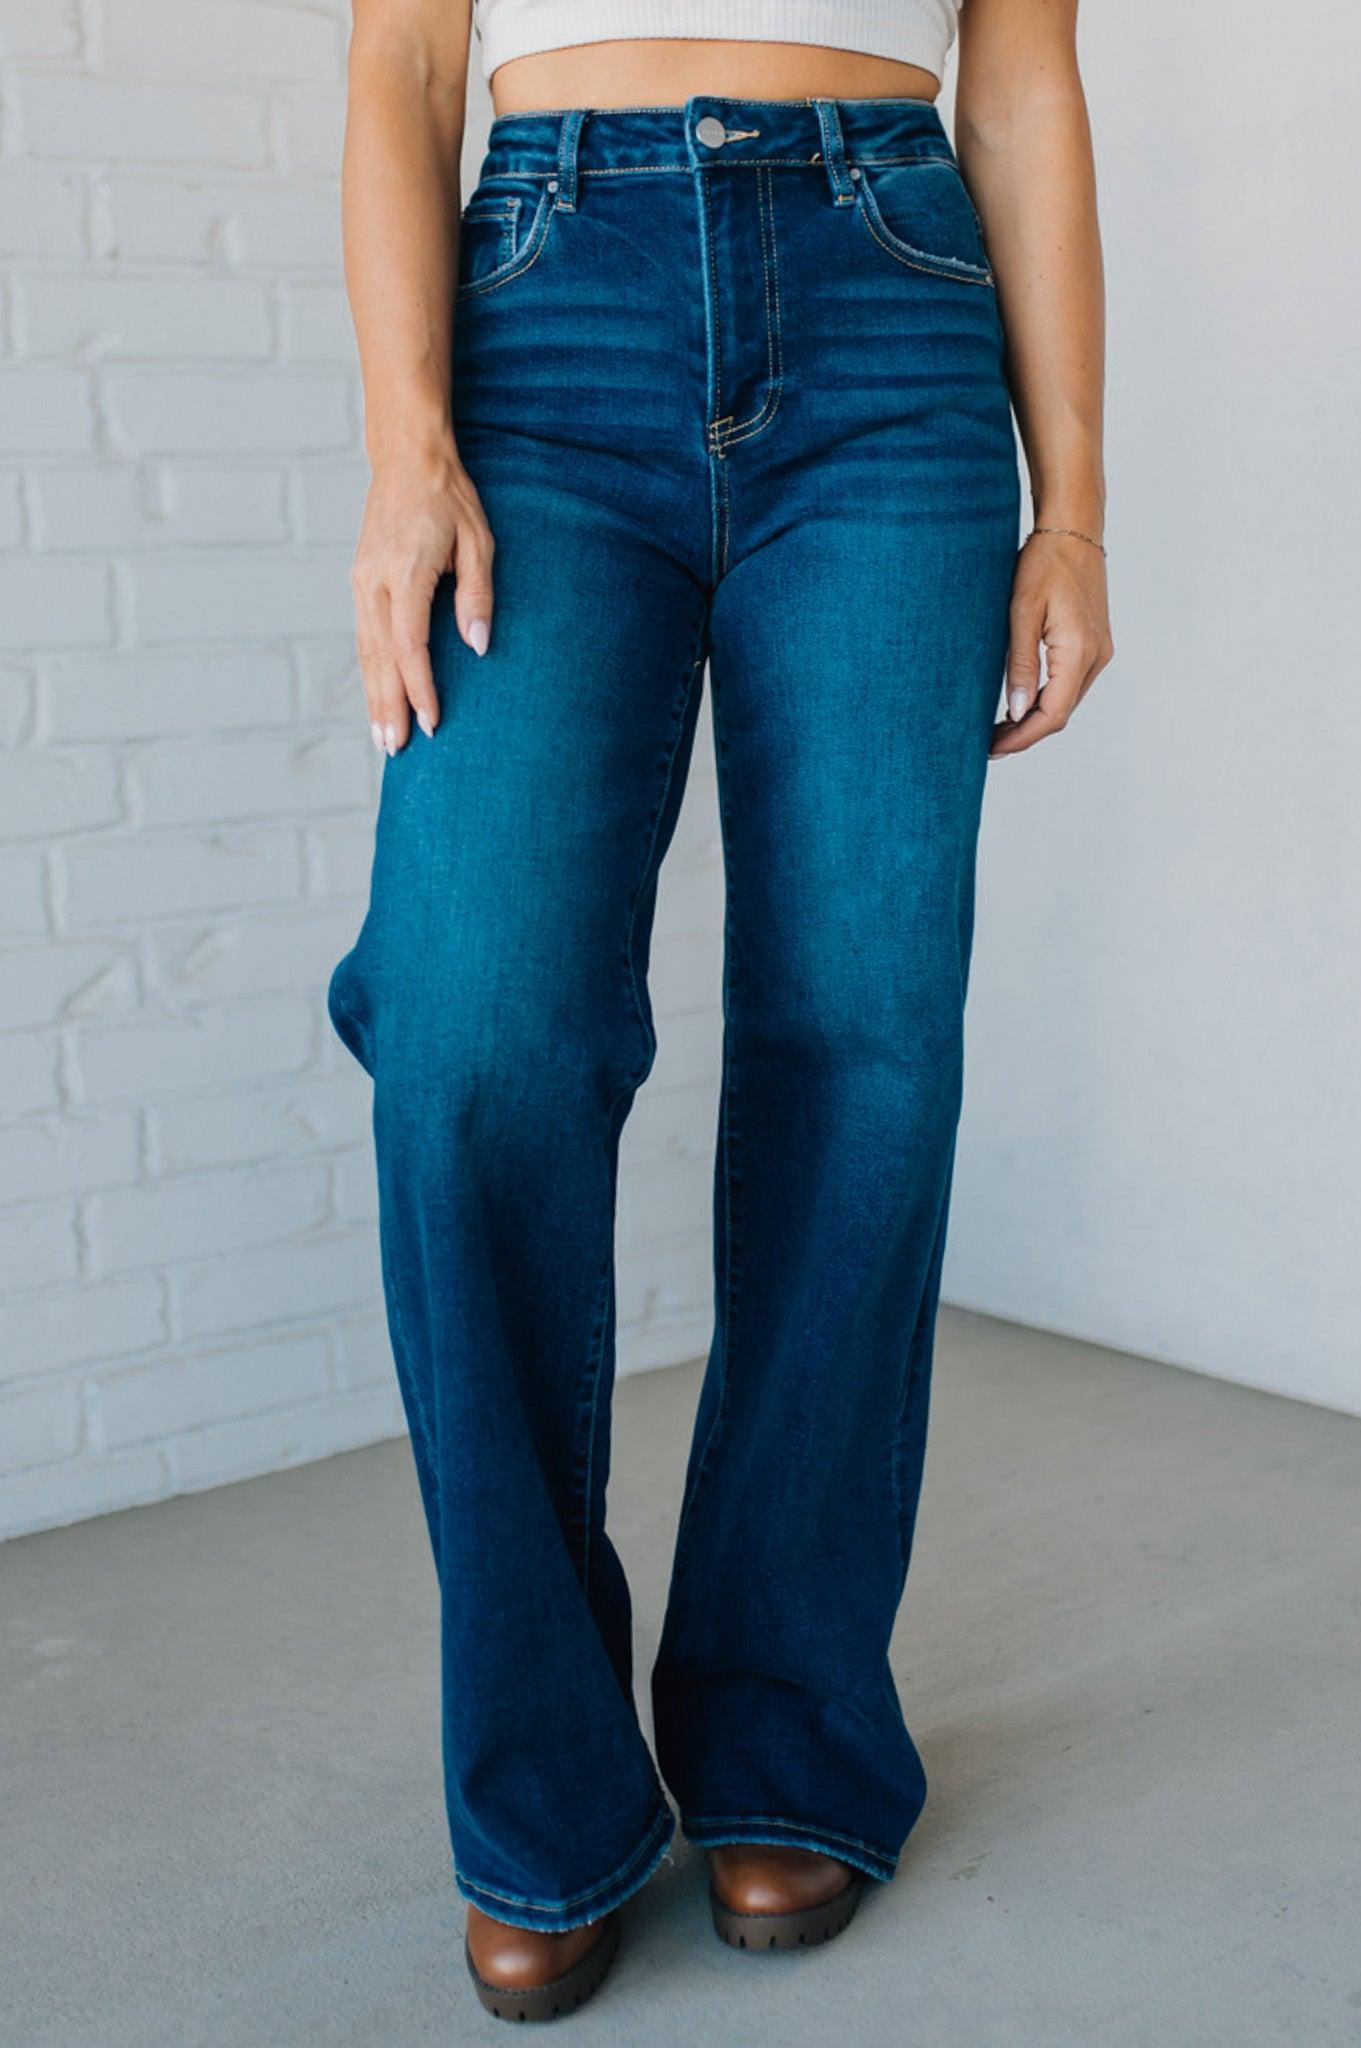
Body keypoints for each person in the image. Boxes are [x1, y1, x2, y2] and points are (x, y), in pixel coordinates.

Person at [327, 0, 1112, 2021]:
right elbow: (407, 65)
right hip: (541, 310)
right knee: (466, 1029)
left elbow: (1018, 72)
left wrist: (1075, 501)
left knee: (861, 1040)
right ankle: (540, 1781)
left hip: (890, 312)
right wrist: (407, 444)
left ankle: (781, 1721)